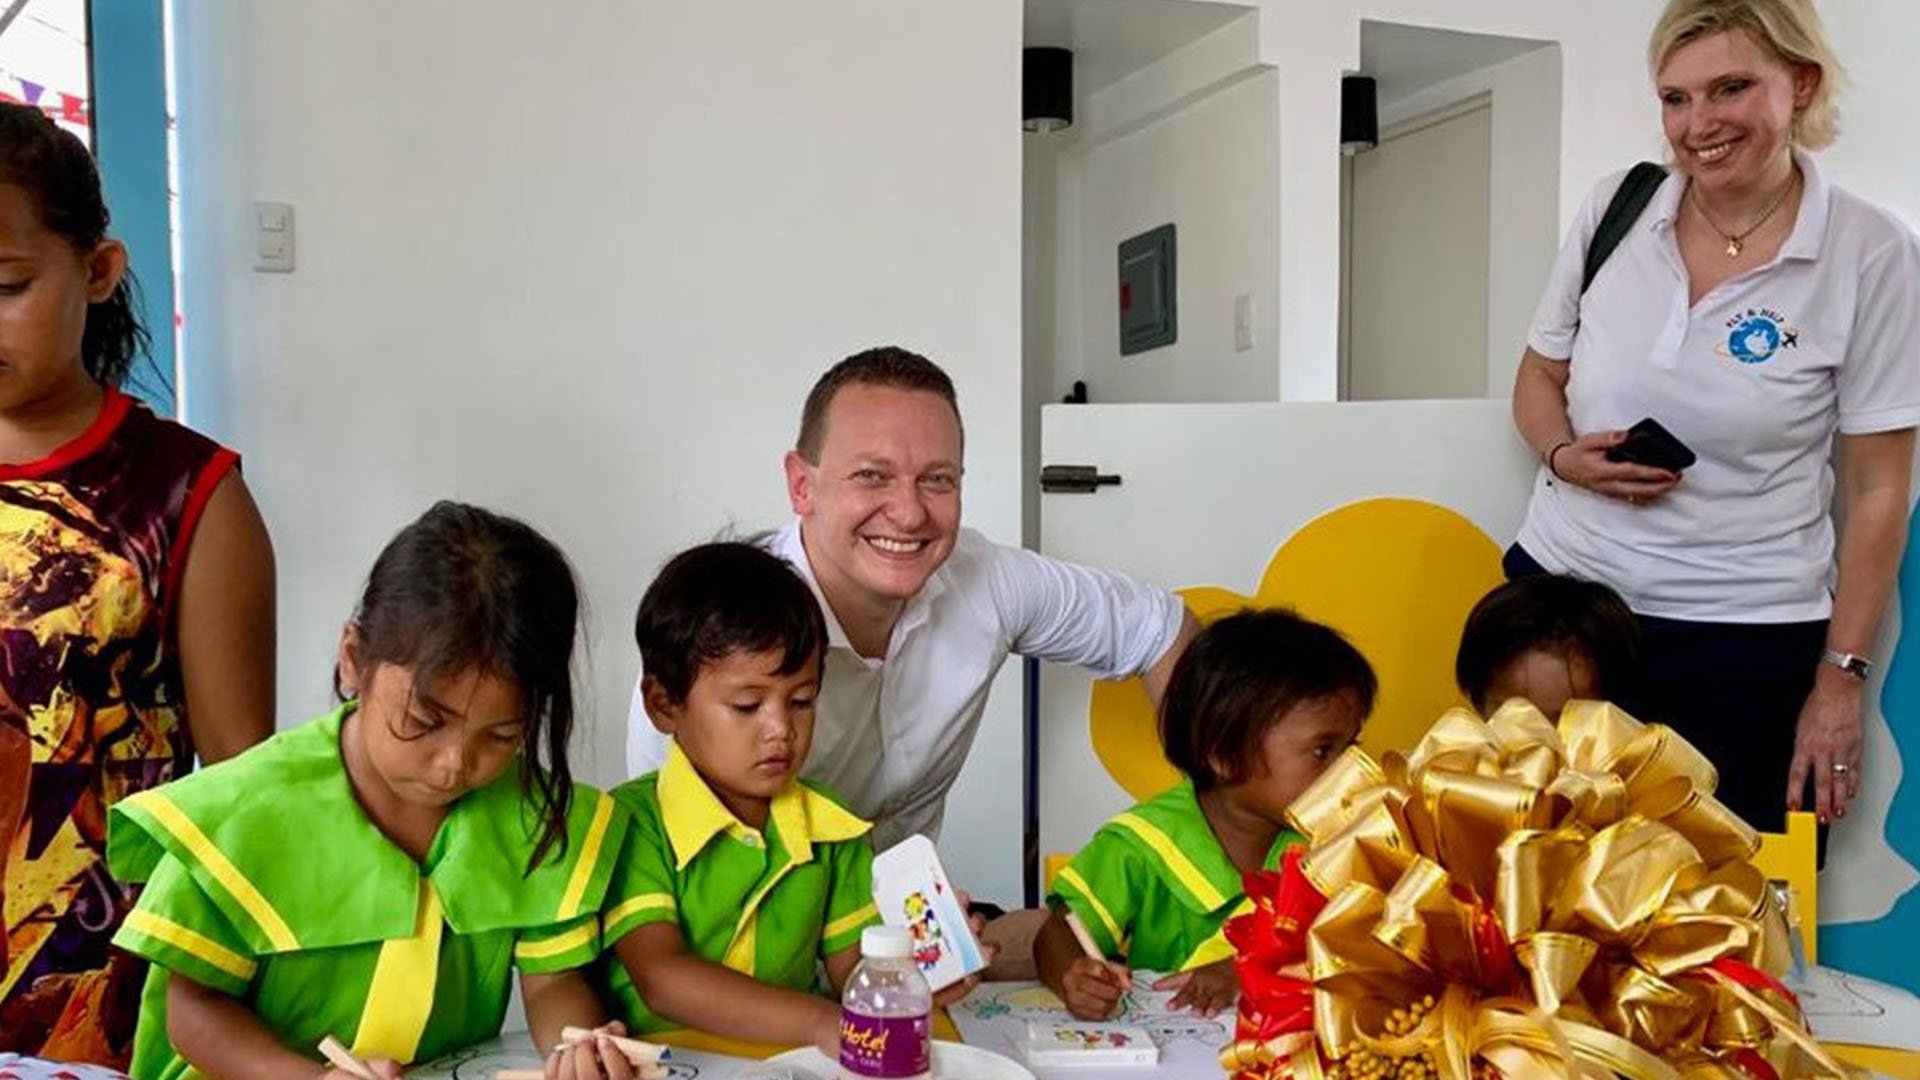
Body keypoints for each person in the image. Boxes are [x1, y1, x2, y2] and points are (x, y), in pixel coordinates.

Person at [1507, 0, 1920, 832]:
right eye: (1676, 98)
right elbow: (1539, 374)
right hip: (1562, 602)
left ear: (1799, 84)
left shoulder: (1871, 254)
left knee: (1720, 913)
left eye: (1730, 88)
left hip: (1744, 636)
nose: (1699, 124)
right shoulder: (1618, 208)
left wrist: (1839, 680)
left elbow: (1879, 493)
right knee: (1533, 882)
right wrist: (1561, 455)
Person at [105, 503, 630, 1080]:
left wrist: (577, 1047)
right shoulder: (239, 815)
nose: (454, 764)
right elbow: (195, 1016)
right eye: (425, 721)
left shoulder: (531, 814)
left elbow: (553, 981)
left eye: (502, 735)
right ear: (354, 659)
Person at [627, 347, 1197, 853]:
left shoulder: (988, 579)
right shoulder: (709, 646)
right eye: (872, 476)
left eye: (937, 480)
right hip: (758, 951)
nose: (909, 512)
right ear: (802, 485)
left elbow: (1160, 627)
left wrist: (1202, 838)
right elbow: (679, 890)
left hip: (906, 933)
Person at [0, 103, 275, 1065]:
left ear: (99, 271)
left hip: (96, 999)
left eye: (6, 284)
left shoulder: (186, 494)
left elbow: (242, 794)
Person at [602, 542, 970, 1050]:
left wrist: (919, 970)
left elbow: (853, 974)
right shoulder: (631, 823)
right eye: (748, 705)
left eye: (801, 701)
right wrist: (822, 1024)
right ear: (664, 704)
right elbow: (663, 978)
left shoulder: (833, 828)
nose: (781, 729)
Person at [1034, 609, 1375, 1021]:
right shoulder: (1144, 842)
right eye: (1323, 751)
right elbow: (1058, 931)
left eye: (1351, 747)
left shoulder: (1340, 842)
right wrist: (1076, 976)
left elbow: (1360, 954)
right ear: (1225, 754)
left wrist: (1244, 971)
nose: (1350, 770)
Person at [1454, 575, 1643, 718]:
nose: (1540, 748)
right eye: (1515, 718)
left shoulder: (1643, 768)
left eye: (1562, 722)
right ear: (1478, 704)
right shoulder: (1449, 765)